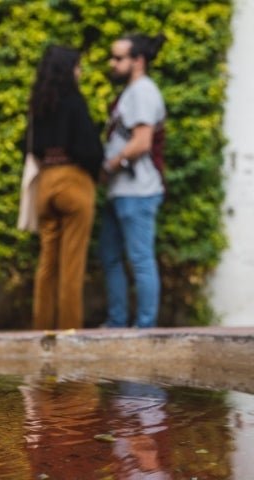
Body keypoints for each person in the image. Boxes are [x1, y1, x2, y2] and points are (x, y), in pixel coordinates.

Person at [27, 45, 104, 330]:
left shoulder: (39, 104)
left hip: (46, 181)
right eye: (77, 66)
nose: (80, 72)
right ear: (68, 69)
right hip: (74, 181)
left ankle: (41, 330)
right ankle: (70, 332)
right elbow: (90, 149)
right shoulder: (74, 101)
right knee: (72, 265)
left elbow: (30, 146)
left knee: (47, 265)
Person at [99, 33, 167, 328]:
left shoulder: (143, 92)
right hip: (121, 190)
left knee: (140, 259)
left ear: (138, 61)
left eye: (118, 58)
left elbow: (141, 142)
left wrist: (110, 166)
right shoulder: (131, 92)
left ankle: (145, 328)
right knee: (110, 256)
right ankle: (116, 323)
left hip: (138, 191)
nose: (111, 63)